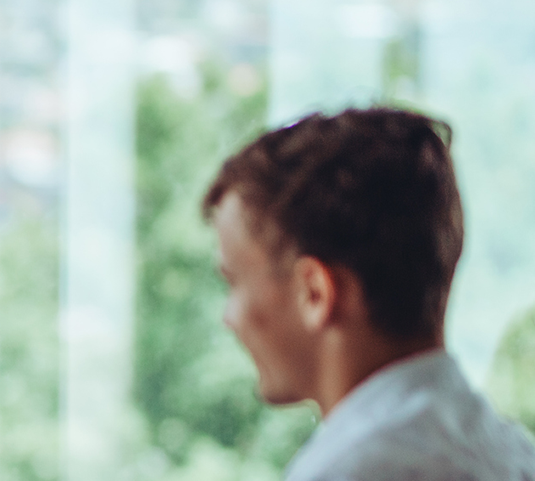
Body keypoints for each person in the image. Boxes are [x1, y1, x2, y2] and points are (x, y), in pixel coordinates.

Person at [202, 107, 535, 479]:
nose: (229, 318)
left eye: (234, 282)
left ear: (315, 292)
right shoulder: (514, 452)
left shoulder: (352, 470)